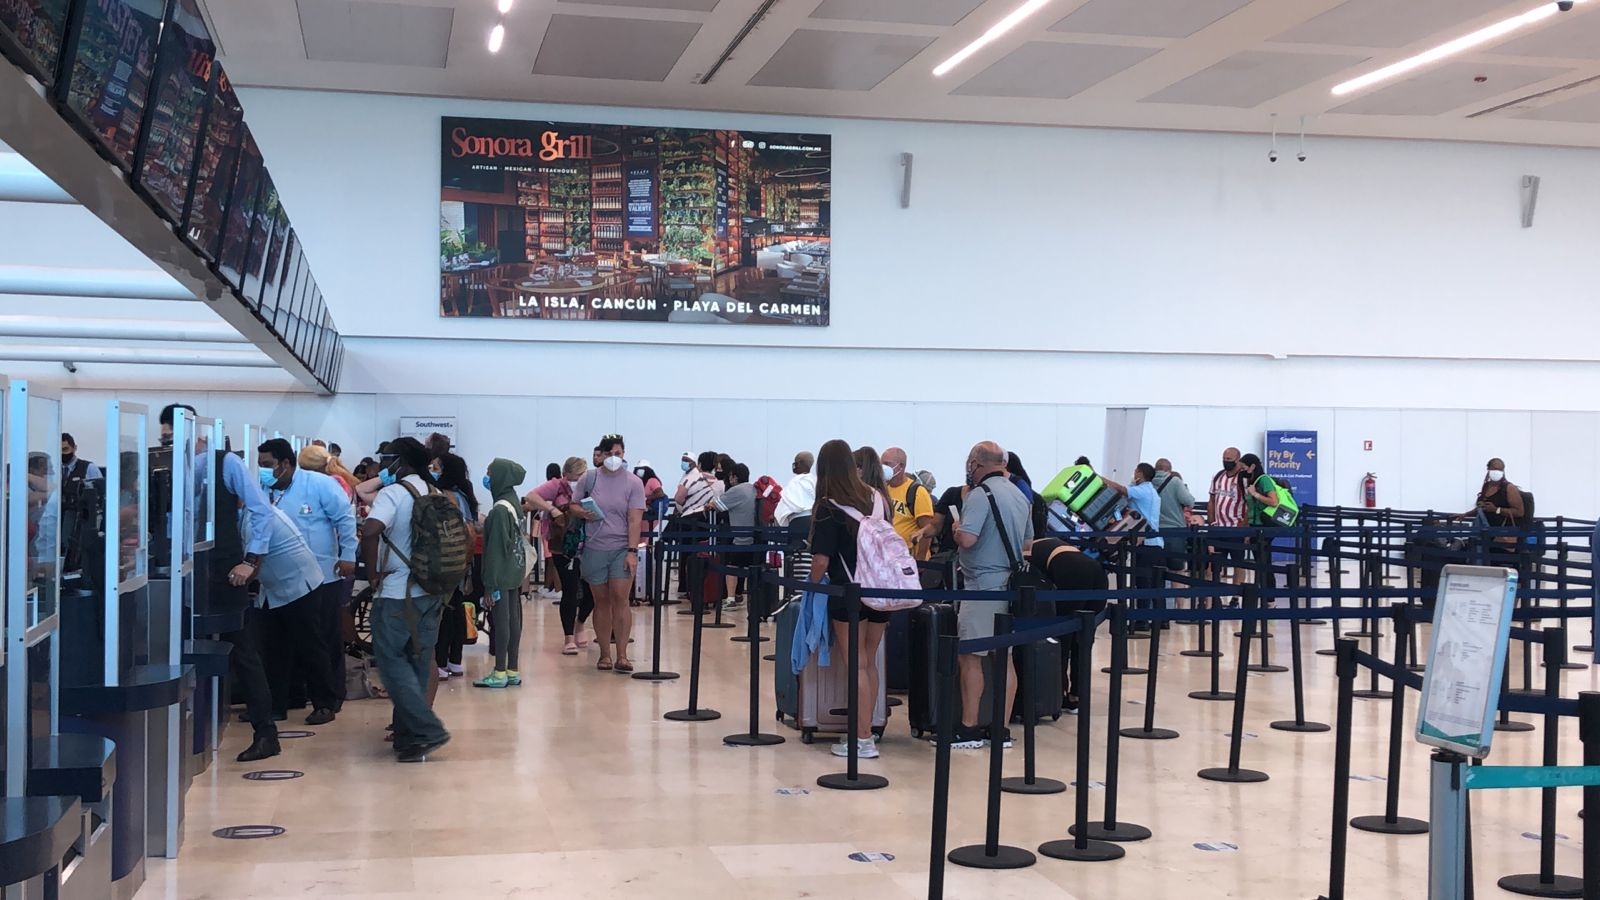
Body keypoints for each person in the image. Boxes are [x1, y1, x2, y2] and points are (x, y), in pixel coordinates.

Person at [160, 404, 281, 762]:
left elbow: (261, 511)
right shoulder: (166, 467)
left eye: (175, 435)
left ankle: (266, 733)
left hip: (224, 570)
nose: (169, 442)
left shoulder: (225, 463)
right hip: (183, 573)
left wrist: (250, 561)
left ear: (196, 432)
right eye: (165, 437)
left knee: (243, 652)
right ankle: (186, 737)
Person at [361, 436, 451, 763]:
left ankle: (425, 729)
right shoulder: (436, 493)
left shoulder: (394, 493)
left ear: (400, 461)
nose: (384, 465)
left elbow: (371, 531)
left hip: (397, 592)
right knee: (419, 660)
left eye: (387, 459)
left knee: (390, 660)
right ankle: (408, 735)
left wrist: (371, 574)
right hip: (431, 590)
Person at [257, 438, 356, 725]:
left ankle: (328, 699)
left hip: (320, 576)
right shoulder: (265, 489)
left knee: (319, 640)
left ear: (285, 464)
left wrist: (349, 555)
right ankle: (285, 699)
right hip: (277, 581)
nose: (263, 471)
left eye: (267, 465)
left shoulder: (318, 485)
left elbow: (345, 519)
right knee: (277, 644)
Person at [806, 439, 890, 760]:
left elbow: (821, 562)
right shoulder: (877, 498)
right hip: (882, 590)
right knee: (869, 661)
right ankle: (866, 730)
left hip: (847, 593)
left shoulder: (829, 505)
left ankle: (861, 738)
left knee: (855, 664)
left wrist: (811, 588)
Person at [951, 441, 1031, 750]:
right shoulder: (1019, 494)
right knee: (1004, 657)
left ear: (976, 463)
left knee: (970, 655)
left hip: (982, 585)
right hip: (1010, 584)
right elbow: (1028, 545)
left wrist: (958, 528)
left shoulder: (979, 495)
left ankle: (969, 727)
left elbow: (968, 540)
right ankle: (1001, 728)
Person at [571, 434, 645, 673]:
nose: (614, 458)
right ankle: (604, 654)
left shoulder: (633, 483)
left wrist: (632, 551)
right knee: (600, 601)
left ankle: (622, 654)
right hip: (594, 547)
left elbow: (635, 519)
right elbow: (573, 504)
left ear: (624, 454)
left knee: (620, 599)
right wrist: (583, 513)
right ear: (601, 455)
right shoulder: (589, 478)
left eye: (618, 454)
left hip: (622, 548)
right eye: (609, 454)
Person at [1027, 537, 1107, 714]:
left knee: (1063, 637)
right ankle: (1078, 693)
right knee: (1085, 638)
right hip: (1095, 569)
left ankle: (1059, 694)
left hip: (1070, 572)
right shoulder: (1050, 541)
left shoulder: (1025, 549)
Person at [475, 458, 528, 688]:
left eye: (490, 472)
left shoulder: (498, 510)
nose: (487, 476)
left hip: (501, 572)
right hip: (514, 570)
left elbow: (495, 549)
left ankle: (499, 672)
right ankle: (512, 669)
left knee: (501, 621)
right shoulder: (513, 503)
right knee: (513, 619)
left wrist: (489, 584)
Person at [530, 458, 589, 654]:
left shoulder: (589, 486)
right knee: (570, 590)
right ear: (568, 474)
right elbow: (531, 496)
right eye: (578, 475)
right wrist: (552, 509)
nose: (580, 479)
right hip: (561, 545)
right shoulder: (556, 486)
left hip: (588, 544)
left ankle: (580, 622)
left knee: (591, 593)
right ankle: (568, 637)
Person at [432, 453, 481, 680]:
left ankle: (440, 662)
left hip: (445, 561)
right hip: (463, 561)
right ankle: (455, 660)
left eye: (437, 467)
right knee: (457, 609)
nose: (433, 471)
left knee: (443, 613)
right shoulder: (464, 496)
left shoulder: (442, 496)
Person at [672, 450, 722, 598]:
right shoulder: (709, 480)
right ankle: (698, 587)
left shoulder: (690, 477)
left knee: (687, 553)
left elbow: (679, 498)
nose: (684, 462)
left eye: (686, 460)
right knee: (701, 552)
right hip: (706, 518)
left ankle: (686, 586)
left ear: (697, 463)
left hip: (691, 518)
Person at [713, 462, 757, 607]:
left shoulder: (735, 490)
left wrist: (708, 505)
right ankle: (749, 599)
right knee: (749, 568)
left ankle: (731, 599)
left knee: (731, 566)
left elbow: (717, 505)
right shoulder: (752, 489)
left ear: (734, 477)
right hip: (755, 537)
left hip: (739, 537)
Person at [1462, 458, 1526, 550]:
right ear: (1488, 469)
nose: (1497, 472)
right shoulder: (1486, 486)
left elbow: (1519, 512)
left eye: (1500, 470)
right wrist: (1466, 515)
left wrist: (1496, 510)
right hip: (1484, 530)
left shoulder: (1509, 488)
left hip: (1500, 533)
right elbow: (1481, 507)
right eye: (1494, 469)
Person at [883, 447, 935, 560]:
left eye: (887, 464)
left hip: (909, 558)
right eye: (882, 464)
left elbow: (927, 530)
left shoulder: (917, 492)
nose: (883, 467)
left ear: (900, 466)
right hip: (890, 558)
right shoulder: (885, 489)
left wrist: (920, 561)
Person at [1208, 447, 1248, 590]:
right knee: (1214, 564)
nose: (1225, 462)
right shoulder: (1218, 476)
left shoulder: (1243, 478)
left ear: (1237, 459)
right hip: (1218, 527)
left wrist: (1244, 527)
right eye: (1224, 459)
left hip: (1236, 527)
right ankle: (1214, 596)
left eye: (1229, 459)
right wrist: (1212, 522)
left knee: (1238, 563)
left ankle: (1236, 597)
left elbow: (1249, 504)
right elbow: (1212, 499)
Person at [1152, 459, 1196, 569]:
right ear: (1169, 470)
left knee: (1157, 569)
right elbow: (1189, 501)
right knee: (1176, 570)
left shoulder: (1149, 482)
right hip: (1175, 529)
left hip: (1153, 530)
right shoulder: (1175, 481)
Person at [773, 451, 816, 527]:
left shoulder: (795, 482)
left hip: (797, 521)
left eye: (795, 463)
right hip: (813, 520)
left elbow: (788, 503)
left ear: (799, 463)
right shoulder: (814, 481)